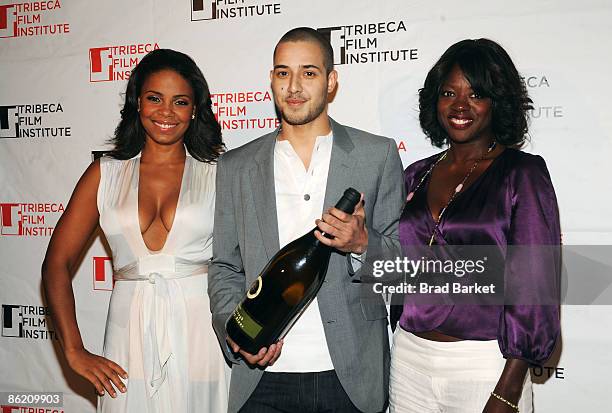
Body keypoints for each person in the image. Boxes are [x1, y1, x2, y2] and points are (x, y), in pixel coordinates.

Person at [208, 27, 405, 413]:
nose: (294, 86)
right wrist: (237, 334)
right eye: (283, 73)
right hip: (261, 379)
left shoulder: (375, 156)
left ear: (331, 81)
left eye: (309, 73)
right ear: (271, 80)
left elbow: (402, 269)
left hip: (349, 377)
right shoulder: (236, 166)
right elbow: (225, 266)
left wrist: (362, 245)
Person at [42, 49, 230, 412]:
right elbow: (56, 264)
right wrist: (74, 351)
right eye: (154, 98)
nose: (166, 112)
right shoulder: (104, 173)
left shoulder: (220, 171)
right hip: (127, 338)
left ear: (195, 110)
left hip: (201, 336)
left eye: (180, 101)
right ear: (137, 103)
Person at [389, 39, 561, 412]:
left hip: (483, 365)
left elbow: (535, 287)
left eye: (476, 93)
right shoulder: (415, 175)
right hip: (409, 358)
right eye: (449, 92)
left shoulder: (521, 174)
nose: (460, 105)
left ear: (497, 102)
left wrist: (508, 388)